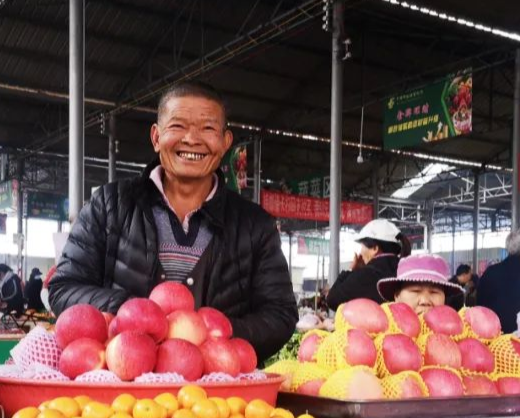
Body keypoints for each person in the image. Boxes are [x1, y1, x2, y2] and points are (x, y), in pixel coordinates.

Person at [48, 81, 296, 361]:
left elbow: (280, 314)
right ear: (156, 137)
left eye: (208, 128)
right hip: (121, 381)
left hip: (219, 386)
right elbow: (63, 288)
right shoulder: (109, 205)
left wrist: (212, 335)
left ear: (226, 142)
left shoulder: (255, 225)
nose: (191, 139)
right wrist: (133, 312)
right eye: (178, 126)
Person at [326, 219, 403, 310]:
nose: (361, 252)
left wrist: (351, 270)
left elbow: (332, 299)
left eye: (362, 246)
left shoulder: (364, 275)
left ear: (375, 248)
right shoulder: (405, 271)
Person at [377, 253, 464, 316]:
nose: (425, 301)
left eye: (434, 292)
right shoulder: (380, 331)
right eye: (416, 291)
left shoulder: (457, 332)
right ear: (397, 296)